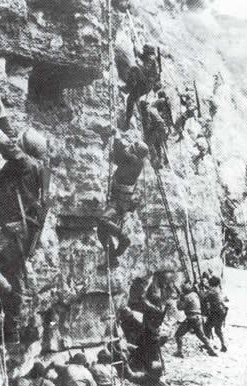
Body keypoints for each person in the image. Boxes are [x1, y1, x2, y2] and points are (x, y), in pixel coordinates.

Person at [0, 95, 47, 342]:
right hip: (24, 237)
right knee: (11, 275)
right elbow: (13, 140)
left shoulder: (25, 163)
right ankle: (11, 334)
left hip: (14, 234)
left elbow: (6, 144)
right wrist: (2, 113)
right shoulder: (36, 165)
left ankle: (9, 298)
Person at [97, 136, 149, 268]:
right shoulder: (138, 162)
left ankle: (123, 238)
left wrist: (117, 138)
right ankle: (112, 258)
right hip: (123, 200)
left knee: (103, 220)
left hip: (118, 200)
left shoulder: (132, 159)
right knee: (101, 231)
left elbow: (118, 153)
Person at [174, 282, 217, 358]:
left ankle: (179, 352)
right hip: (198, 318)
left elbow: (180, 308)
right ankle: (212, 350)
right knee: (201, 336)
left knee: (178, 335)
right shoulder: (194, 294)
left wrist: (180, 299)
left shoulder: (186, 297)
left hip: (191, 319)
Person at [124, 43, 161, 129]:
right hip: (144, 83)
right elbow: (140, 55)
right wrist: (134, 46)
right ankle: (127, 121)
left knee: (134, 69)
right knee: (131, 98)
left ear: (148, 52)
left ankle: (128, 88)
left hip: (146, 84)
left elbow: (145, 68)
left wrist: (139, 64)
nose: (143, 52)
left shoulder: (151, 59)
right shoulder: (149, 57)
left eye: (145, 51)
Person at [139, 100, 168, 169]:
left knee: (148, 143)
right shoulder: (152, 108)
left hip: (157, 129)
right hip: (163, 128)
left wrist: (146, 132)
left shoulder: (146, 111)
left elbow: (148, 123)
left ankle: (154, 161)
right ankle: (160, 162)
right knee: (158, 145)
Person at [202, 276, 228, 352]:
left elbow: (203, 297)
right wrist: (205, 286)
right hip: (222, 311)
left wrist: (199, 288)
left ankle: (207, 344)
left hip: (216, 312)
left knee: (207, 327)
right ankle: (223, 345)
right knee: (218, 330)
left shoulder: (211, 291)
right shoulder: (217, 289)